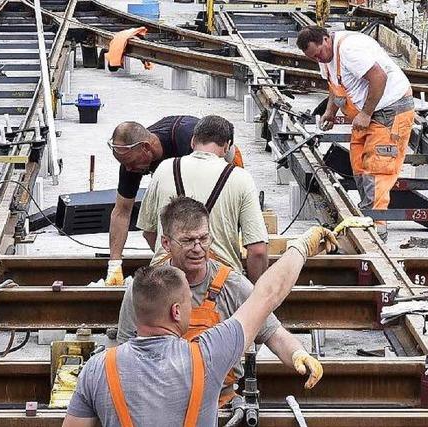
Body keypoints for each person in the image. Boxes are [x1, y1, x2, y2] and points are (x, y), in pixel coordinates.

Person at [62, 225, 337, 427]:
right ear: (177, 311)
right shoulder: (207, 356)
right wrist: (302, 247)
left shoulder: (97, 369)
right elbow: (267, 294)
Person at [118, 196, 325, 406]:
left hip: (220, 401)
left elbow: (274, 333)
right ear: (166, 243)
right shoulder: (145, 289)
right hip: (159, 402)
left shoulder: (231, 284)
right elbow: (124, 353)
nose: (198, 248)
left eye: (204, 238)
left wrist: (298, 354)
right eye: (188, 240)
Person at [297, 26, 415, 240]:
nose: (319, 60)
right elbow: (335, 86)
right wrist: (330, 111)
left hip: (390, 109)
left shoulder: (350, 50)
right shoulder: (325, 58)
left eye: (318, 53)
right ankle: (366, 213)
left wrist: (366, 113)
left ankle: (377, 227)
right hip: (368, 112)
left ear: (326, 39)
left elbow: (379, 77)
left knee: (377, 169)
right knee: (359, 161)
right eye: (313, 57)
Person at [106, 116, 244, 286]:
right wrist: (114, 264)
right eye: (124, 164)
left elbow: (209, 203)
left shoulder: (186, 139)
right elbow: (122, 211)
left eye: (132, 163)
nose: (129, 169)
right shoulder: (130, 158)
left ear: (147, 148)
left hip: (225, 159)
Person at [136, 115, 268, 283]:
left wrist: (178, 252)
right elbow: (258, 251)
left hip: (166, 283)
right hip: (221, 284)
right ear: (227, 146)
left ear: (192, 141)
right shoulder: (240, 178)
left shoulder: (164, 169)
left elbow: (149, 232)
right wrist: (253, 295)